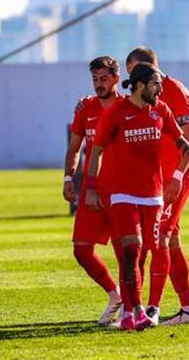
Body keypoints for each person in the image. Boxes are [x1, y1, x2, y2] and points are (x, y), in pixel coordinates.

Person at [86, 63, 189, 330]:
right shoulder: (116, 112)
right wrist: (92, 187)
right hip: (122, 194)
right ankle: (134, 311)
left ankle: (139, 310)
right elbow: (96, 152)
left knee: (151, 250)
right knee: (131, 251)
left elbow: (181, 140)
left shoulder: (160, 110)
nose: (160, 89)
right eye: (156, 85)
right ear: (140, 85)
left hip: (153, 195)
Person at [123, 47, 189, 326]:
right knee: (172, 241)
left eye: (132, 73)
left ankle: (152, 309)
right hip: (156, 181)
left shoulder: (174, 90)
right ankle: (188, 308)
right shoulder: (143, 94)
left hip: (173, 179)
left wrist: (178, 176)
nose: (131, 80)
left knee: (160, 239)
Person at [62, 56, 124, 325]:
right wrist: (67, 177)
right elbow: (75, 148)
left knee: (127, 252)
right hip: (91, 189)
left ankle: (135, 306)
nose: (99, 84)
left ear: (116, 79)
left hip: (123, 189)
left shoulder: (129, 107)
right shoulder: (85, 107)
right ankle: (116, 295)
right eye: (95, 79)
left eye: (104, 79)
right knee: (81, 249)